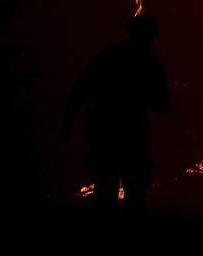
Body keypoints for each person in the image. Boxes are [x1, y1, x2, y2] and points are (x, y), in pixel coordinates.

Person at [61, 12, 171, 215]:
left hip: (108, 135)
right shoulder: (149, 64)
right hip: (128, 138)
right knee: (130, 194)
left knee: (110, 193)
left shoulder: (109, 56)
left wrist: (68, 120)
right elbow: (162, 104)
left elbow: (81, 89)